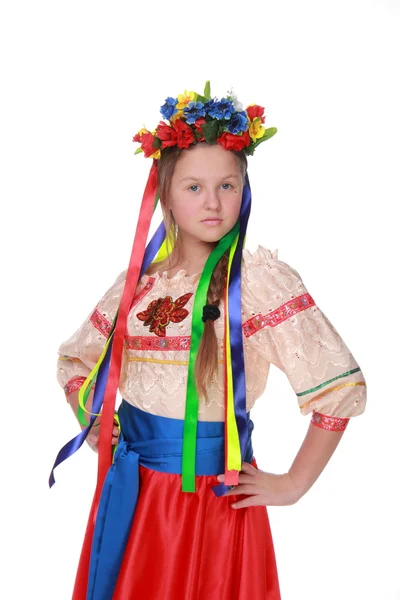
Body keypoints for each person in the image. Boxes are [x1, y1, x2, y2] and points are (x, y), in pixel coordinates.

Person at [51, 82, 367, 600]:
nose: (214, 203)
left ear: (245, 190)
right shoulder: (140, 285)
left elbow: (341, 388)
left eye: (228, 185)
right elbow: (75, 359)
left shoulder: (259, 282)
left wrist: (293, 484)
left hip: (213, 499)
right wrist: (92, 422)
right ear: (165, 196)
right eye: (194, 187)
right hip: (133, 493)